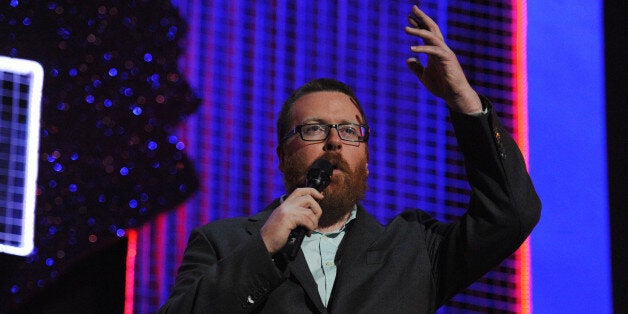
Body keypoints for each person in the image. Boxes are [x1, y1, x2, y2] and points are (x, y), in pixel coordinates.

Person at [159, 5, 541, 313]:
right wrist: (264, 247)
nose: (333, 142)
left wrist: (465, 102)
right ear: (281, 155)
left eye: (349, 130)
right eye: (313, 129)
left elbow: (512, 214)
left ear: (367, 159)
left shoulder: (414, 250)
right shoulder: (223, 243)